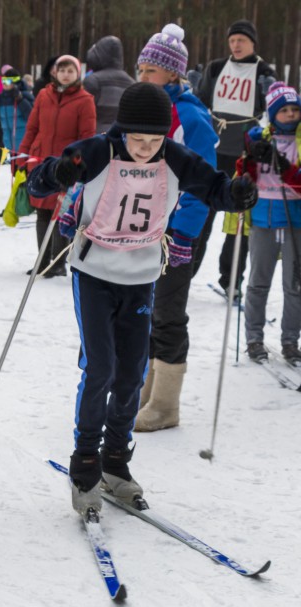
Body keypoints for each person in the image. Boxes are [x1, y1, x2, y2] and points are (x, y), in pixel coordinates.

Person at [27, 82, 257, 516]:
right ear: (122, 131)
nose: (146, 149)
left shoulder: (175, 158)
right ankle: (86, 461)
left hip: (141, 276)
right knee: (100, 367)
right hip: (94, 273)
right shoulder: (98, 151)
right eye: (138, 139)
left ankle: (116, 459)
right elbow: (42, 177)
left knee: (131, 372)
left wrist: (236, 194)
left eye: (155, 140)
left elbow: (214, 187)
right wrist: (58, 172)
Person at [132, 24, 220, 432]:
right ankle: (147, 390)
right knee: (146, 307)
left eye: (152, 70)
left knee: (167, 311)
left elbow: (202, 182)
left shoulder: (190, 116)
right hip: (143, 224)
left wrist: (183, 234)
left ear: (173, 74)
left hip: (177, 232)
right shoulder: (143, 108)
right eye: (142, 68)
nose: (144, 76)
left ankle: (166, 404)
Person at [196, 20, 276, 297]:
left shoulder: (264, 71)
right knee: (201, 211)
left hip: (244, 154)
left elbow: (274, 109)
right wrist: (194, 88)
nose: (236, 45)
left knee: (239, 219)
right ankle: (186, 269)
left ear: (253, 43)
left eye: (241, 40)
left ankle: (231, 280)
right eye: (232, 41)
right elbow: (201, 100)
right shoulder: (217, 67)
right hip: (214, 149)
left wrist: (269, 94)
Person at [239, 83, 301, 365]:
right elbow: (244, 175)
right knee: (258, 282)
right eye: (284, 110)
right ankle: (254, 338)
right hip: (263, 218)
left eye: (294, 109)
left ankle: (290, 341)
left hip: (295, 220)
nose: (290, 114)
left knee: (295, 284)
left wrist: (285, 169)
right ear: (272, 113)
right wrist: (252, 158)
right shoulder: (258, 136)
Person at [19, 54, 95, 277]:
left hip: (66, 166)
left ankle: (59, 262)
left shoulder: (85, 100)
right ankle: (42, 261)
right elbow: (32, 127)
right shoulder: (43, 95)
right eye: (62, 70)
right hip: (42, 161)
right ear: (55, 73)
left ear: (77, 73)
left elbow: (87, 137)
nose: (65, 74)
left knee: (62, 213)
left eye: (70, 70)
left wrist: (76, 164)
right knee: (42, 212)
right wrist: (24, 155)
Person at [83, 36, 134, 133]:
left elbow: (82, 113)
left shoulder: (92, 80)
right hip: (122, 137)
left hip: (96, 137)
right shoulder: (132, 83)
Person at [0, 68, 33, 167]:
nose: (3, 84)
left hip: (24, 145)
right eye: (2, 81)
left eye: (7, 81)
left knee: (23, 175)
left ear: (15, 82)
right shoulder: (2, 97)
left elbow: (31, 116)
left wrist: (20, 100)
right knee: (14, 174)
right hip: (10, 145)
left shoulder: (25, 95)